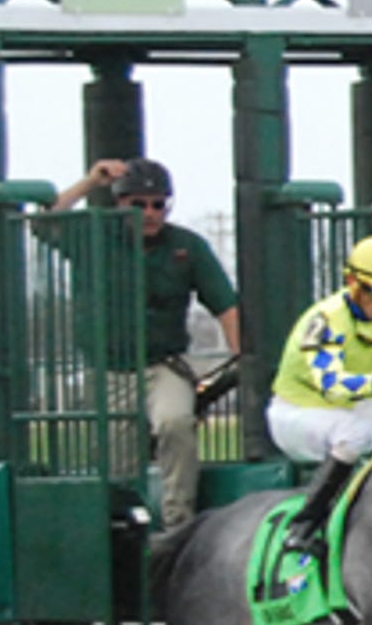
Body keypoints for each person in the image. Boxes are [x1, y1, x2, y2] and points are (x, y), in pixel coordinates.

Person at [43, 158, 241, 529]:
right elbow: (44, 221)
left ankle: (178, 524)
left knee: (176, 422)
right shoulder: (91, 236)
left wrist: (239, 356)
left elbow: (226, 306)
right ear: (119, 203)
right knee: (117, 464)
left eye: (158, 204)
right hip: (110, 370)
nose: (149, 213)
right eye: (139, 204)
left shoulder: (187, 246)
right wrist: (89, 183)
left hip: (163, 365)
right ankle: (123, 532)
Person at [264, 225, 372, 517]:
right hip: (296, 412)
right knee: (356, 433)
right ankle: (311, 516)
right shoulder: (326, 320)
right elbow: (332, 384)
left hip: (347, 407)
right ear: (354, 282)